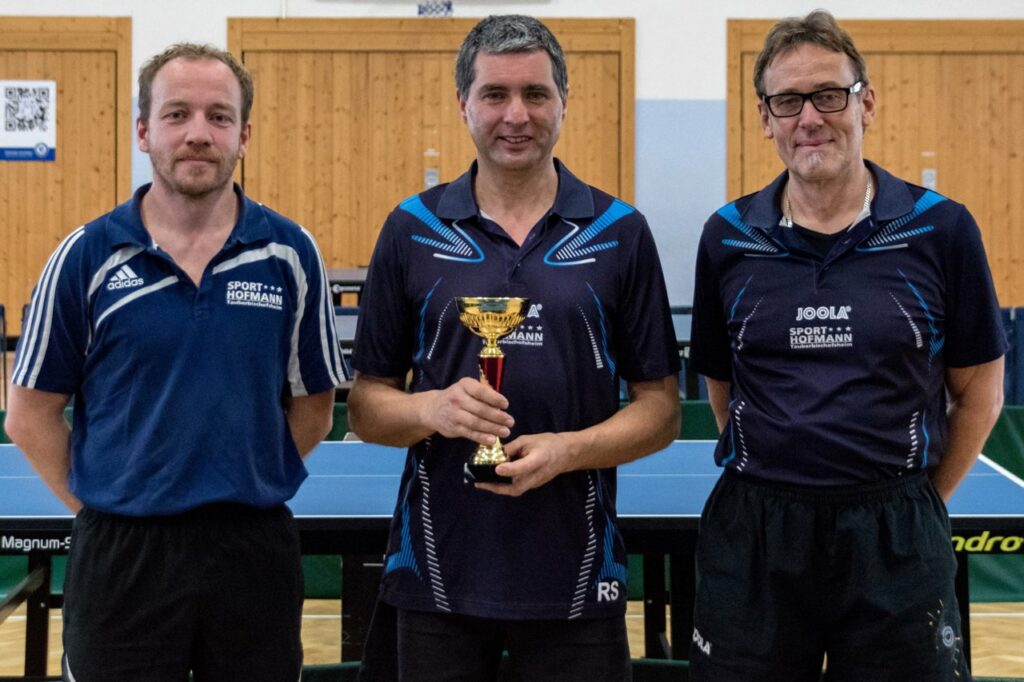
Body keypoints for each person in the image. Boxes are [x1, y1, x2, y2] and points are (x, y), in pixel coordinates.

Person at [347, 14, 680, 681]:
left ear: (563, 101)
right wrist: (430, 409)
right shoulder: (411, 228)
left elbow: (663, 410)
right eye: (495, 94)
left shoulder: (620, 232)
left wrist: (570, 450)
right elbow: (364, 406)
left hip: (577, 574)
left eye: (535, 94)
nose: (516, 115)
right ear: (463, 103)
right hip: (436, 571)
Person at [5, 43, 346, 681]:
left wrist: (241, 478)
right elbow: (29, 415)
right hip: (122, 556)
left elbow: (316, 408)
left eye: (219, 116)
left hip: (252, 551)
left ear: (244, 135)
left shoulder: (290, 253)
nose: (198, 133)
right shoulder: (85, 256)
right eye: (176, 114)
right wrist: (109, 503)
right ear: (144, 131)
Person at [688, 10, 1006, 682]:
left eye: (830, 95)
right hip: (756, 534)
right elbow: (722, 383)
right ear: (765, 118)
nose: (810, 118)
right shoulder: (727, 236)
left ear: (867, 103)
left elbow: (979, 390)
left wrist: (917, 501)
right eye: (788, 101)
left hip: (896, 536)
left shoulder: (942, 229)